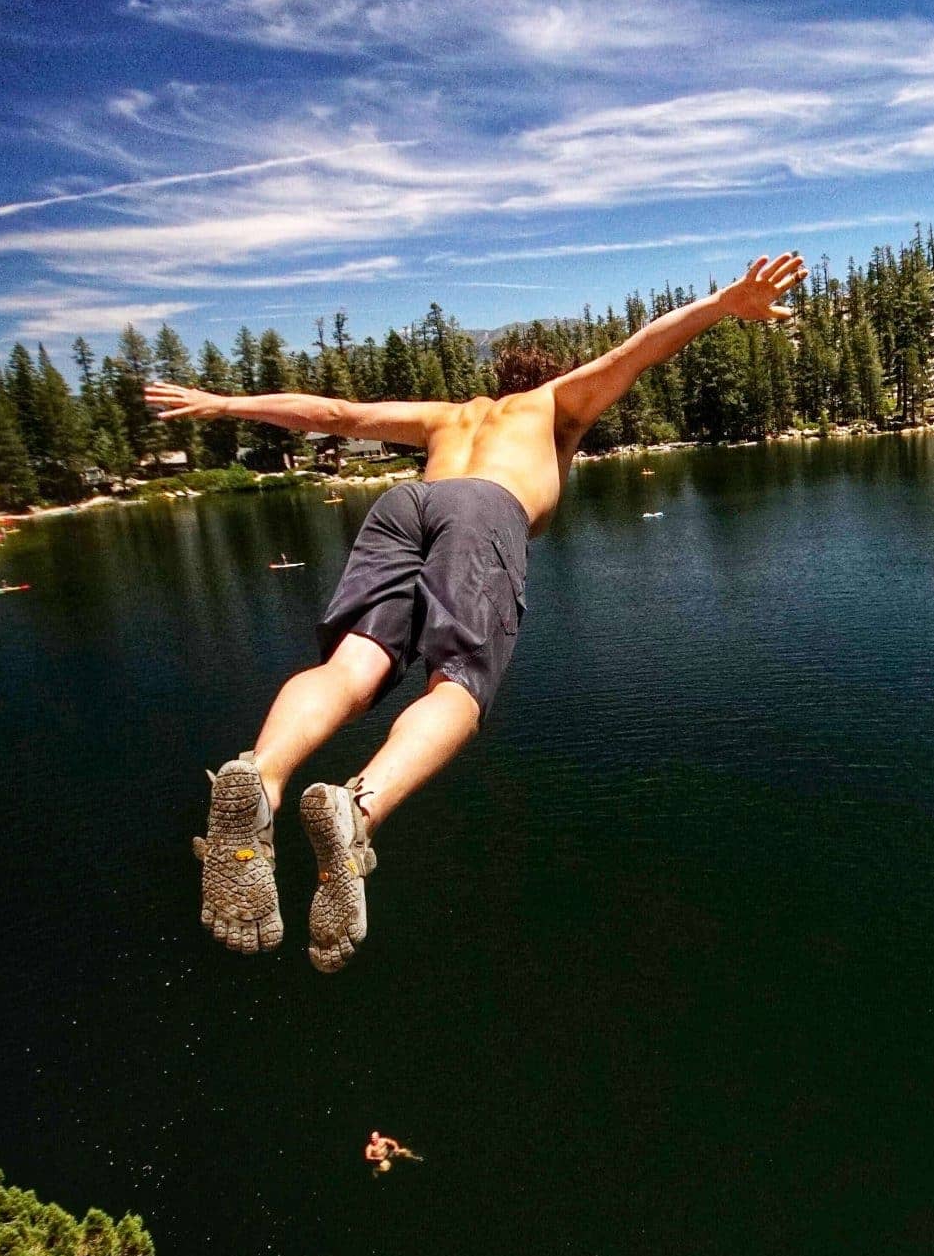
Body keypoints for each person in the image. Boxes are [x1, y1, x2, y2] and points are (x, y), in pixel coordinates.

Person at [145, 253, 805, 971]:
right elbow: (635, 351)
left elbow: (334, 414)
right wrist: (721, 303)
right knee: (458, 685)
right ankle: (357, 810)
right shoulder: (556, 404)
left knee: (352, 665)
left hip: (404, 506)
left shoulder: (450, 416)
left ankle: (261, 774)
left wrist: (223, 403)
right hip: (484, 510)